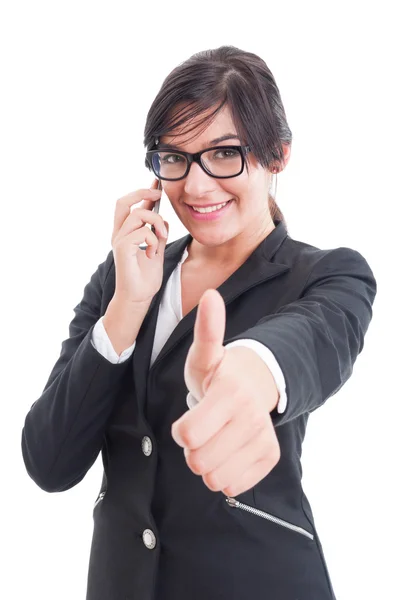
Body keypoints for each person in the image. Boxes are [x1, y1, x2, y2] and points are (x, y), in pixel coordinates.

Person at [21, 45, 377, 600]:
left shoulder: (329, 274)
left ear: (278, 155)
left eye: (225, 154)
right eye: (174, 158)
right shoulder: (125, 273)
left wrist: (252, 373)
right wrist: (127, 308)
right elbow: (49, 462)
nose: (196, 185)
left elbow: (311, 340)